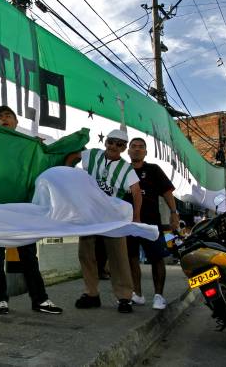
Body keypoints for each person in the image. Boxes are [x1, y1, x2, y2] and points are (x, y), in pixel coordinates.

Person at [0, 106, 63, 315]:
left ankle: (40, 299)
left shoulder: (27, 144)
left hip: (22, 209)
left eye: (8, 116)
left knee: (29, 256)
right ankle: (0, 300)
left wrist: (36, 149)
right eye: (0, 117)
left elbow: (41, 165)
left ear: (15, 121)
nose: (3, 119)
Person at [70, 129, 141, 313]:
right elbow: (72, 156)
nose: (114, 147)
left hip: (113, 217)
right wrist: (68, 176)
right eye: (111, 142)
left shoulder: (126, 168)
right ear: (106, 142)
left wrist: (136, 217)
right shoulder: (92, 155)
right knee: (86, 253)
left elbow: (136, 191)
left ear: (124, 148)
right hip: (90, 213)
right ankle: (91, 293)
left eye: (119, 144)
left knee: (118, 256)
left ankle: (125, 297)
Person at [125, 137, 179, 310]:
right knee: (131, 259)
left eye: (141, 147)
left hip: (151, 223)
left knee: (156, 259)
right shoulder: (122, 170)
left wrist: (173, 213)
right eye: (134, 146)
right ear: (129, 151)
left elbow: (167, 192)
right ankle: (138, 294)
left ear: (145, 152)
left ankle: (158, 296)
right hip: (128, 223)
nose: (137, 149)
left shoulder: (153, 170)